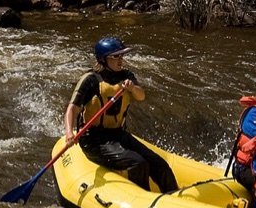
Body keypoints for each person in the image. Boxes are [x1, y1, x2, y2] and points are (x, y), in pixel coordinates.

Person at [63, 37, 178, 193]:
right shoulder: (90, 80)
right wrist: (69, 132)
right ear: (104, 59)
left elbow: (141, 96)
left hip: (118, 135)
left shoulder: (126, 76)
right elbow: (72, 108)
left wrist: (132, 88)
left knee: (160, 164)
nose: (121, 60)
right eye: (116, 56)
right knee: (138, 163)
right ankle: (144, 200)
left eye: (122, 56)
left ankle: (173, 195)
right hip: (94, 141)